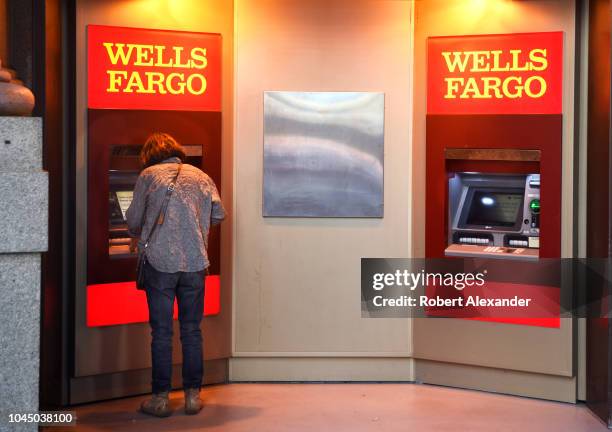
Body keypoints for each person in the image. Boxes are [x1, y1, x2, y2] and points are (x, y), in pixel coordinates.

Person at [126, 132, 225, 417]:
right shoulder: (200, 175)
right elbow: (219, 214)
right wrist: (193, 226)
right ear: (176, 151)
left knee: (162, 333)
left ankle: (160, 399)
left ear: (149, 154)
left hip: (160, 262)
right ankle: (193, 397)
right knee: (192, 330)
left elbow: (133, 221)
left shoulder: (148, 175)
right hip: (195, 262)